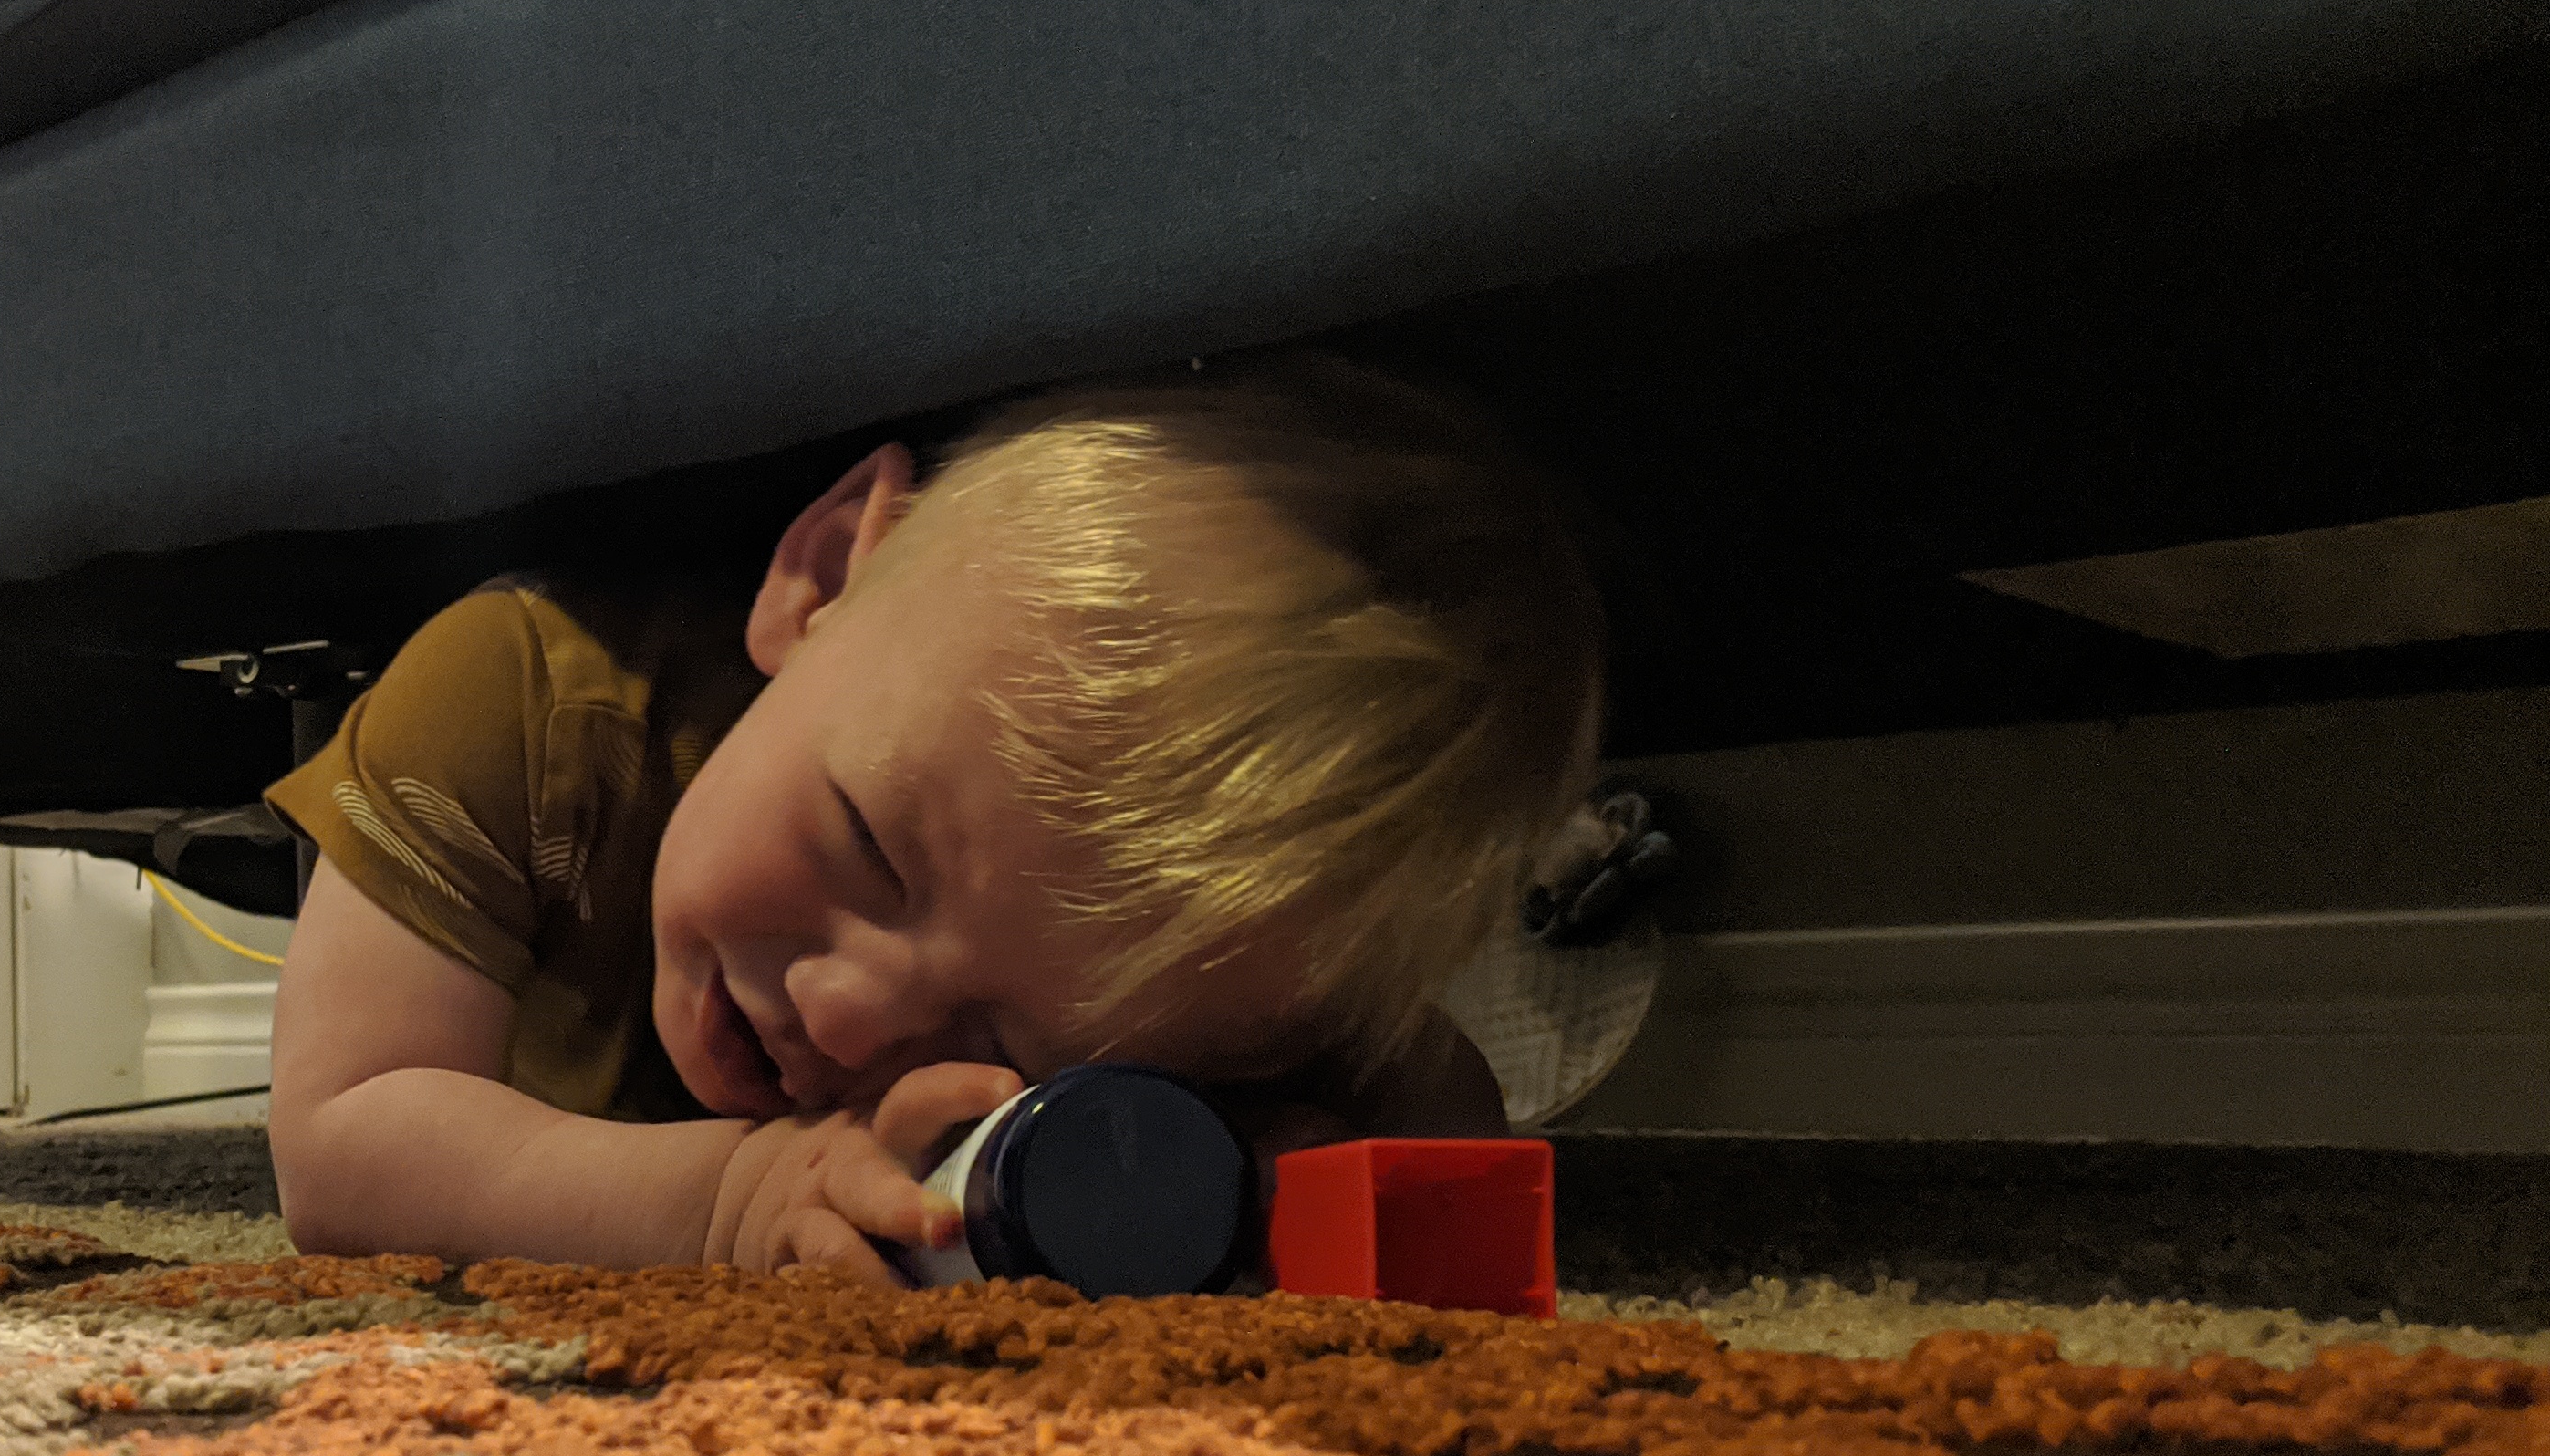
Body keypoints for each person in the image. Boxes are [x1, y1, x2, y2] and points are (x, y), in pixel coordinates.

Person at [261, 344, 1610, 1286]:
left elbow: (1439, 1103)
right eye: (869, 846)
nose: (850, 1017)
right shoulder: (522, 700)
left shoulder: (1188, 979)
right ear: (831, 570)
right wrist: (727, 1200)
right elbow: (345, 1143)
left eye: (1008, 1038)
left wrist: (1281, 1149)